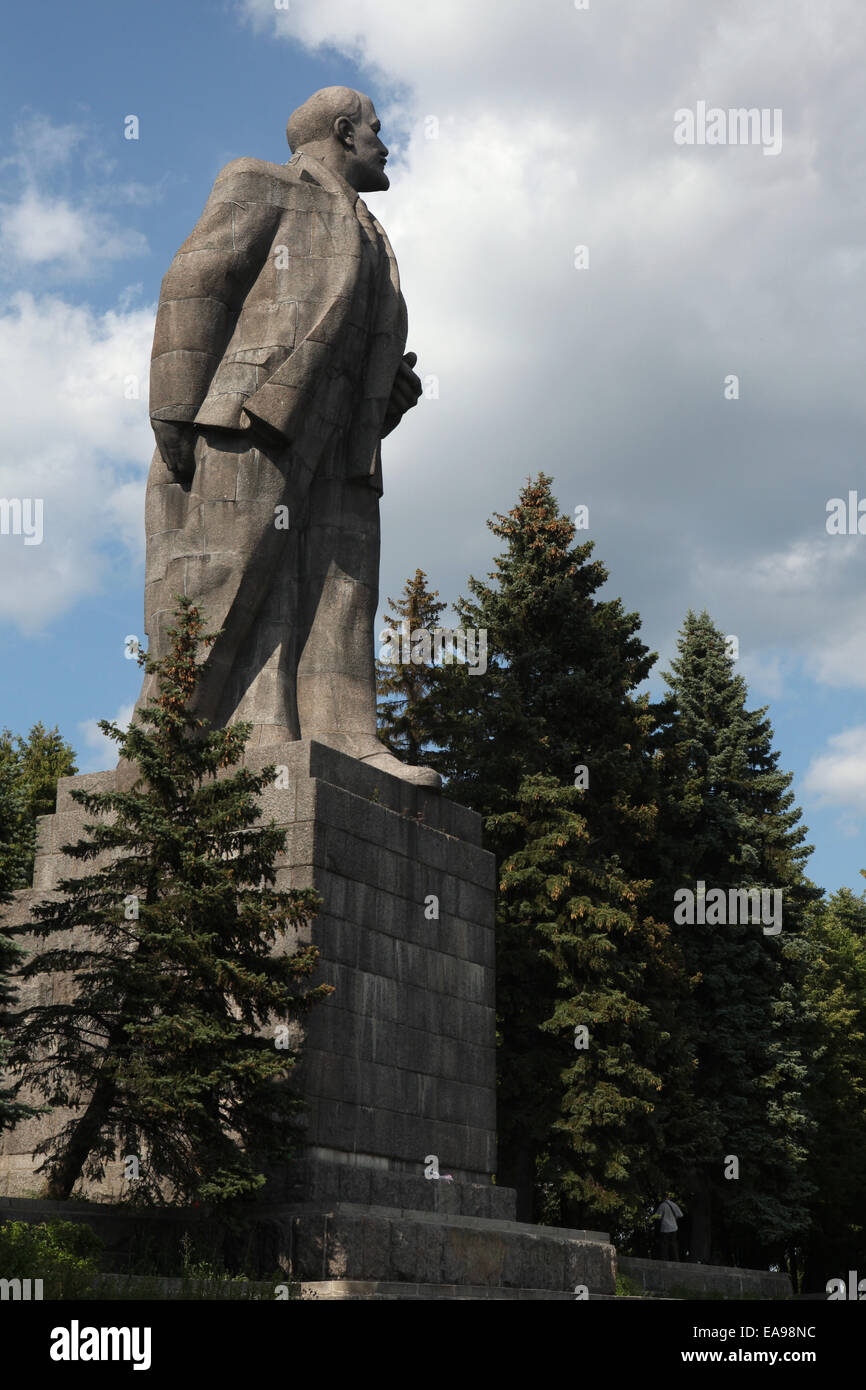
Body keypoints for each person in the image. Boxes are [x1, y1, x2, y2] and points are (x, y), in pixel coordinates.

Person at [122, 86, 439, 789]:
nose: (386, 145)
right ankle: (161, 762)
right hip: (248, 418)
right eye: (376, 131)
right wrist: (175, 414)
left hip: (342, 445)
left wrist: (386, 399)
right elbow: (197, 280)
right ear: (341, 129)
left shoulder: (375, 235)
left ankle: (339, 732)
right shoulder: (262, 182)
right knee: (219, 584)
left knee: (339, 591)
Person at [654, 1195, 683, 1262]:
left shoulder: (662, 1205)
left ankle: (665, 1260)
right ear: (669, 1198)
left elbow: (658, 1216)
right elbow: (680, 1215)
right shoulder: (674, 1204)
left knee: (664, 1244)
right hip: (674, 1227)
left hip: (665, 1227)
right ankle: (676, 1259)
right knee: (674, 1244)